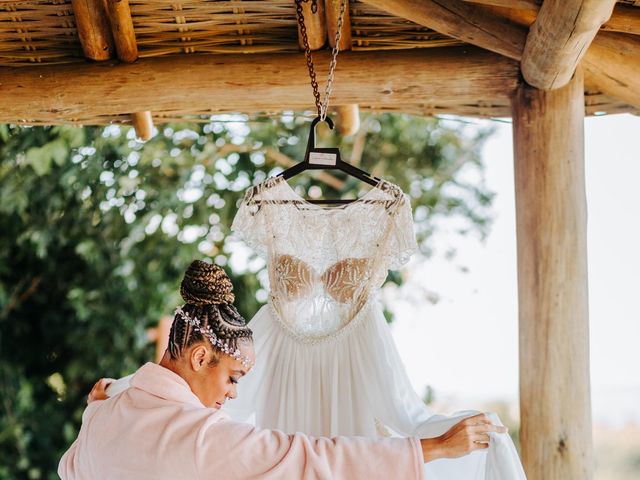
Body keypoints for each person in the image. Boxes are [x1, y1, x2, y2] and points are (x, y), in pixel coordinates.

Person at [59, 260, 506, 480]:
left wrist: (91, 413)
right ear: (199, 358)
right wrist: (431, 449)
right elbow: (312, 457)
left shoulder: (103, 416)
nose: (234, 395)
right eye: (233, 377)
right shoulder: (202, 437)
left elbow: (68, 470)